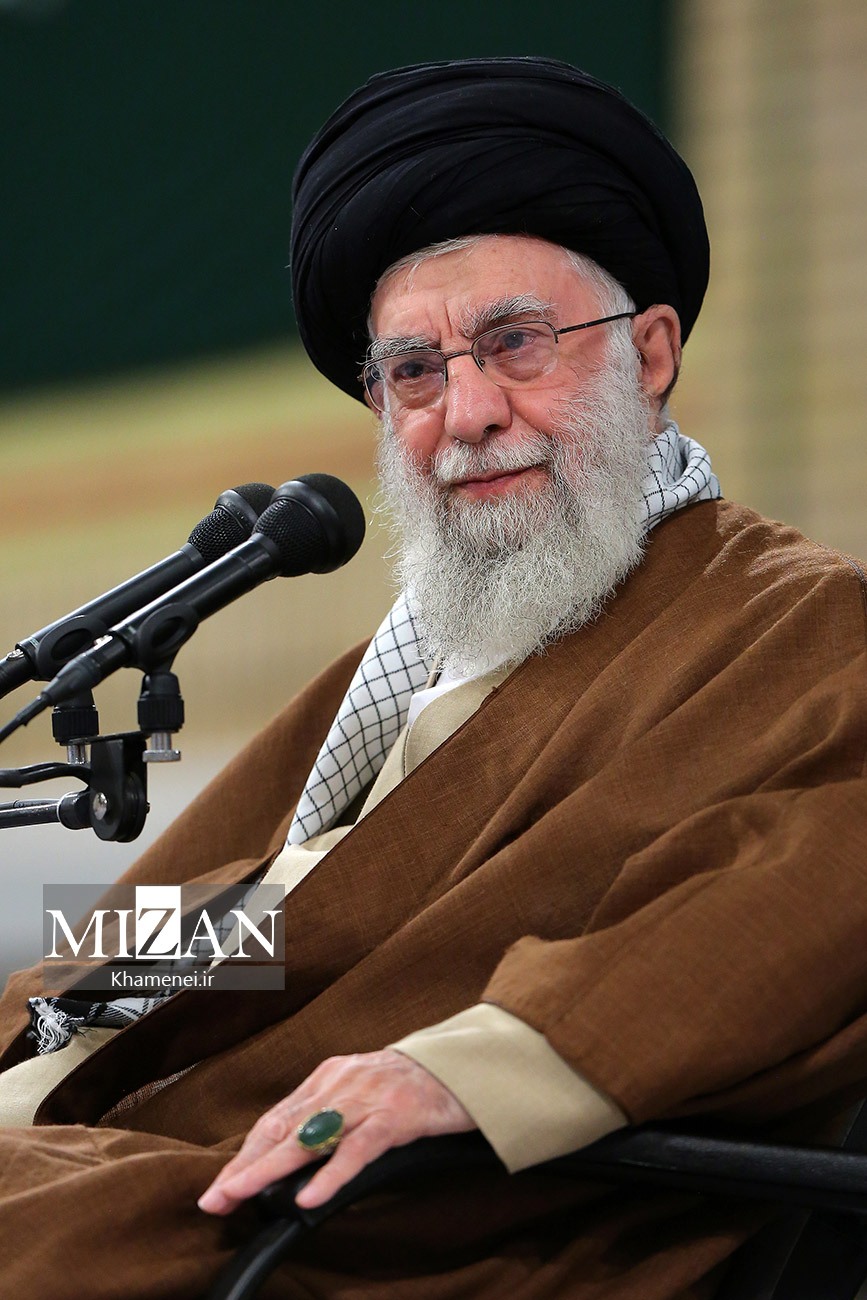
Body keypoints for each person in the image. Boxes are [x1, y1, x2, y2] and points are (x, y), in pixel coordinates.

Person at [0, 55, 865, 1300]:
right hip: (152, 1157)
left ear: (650, 352)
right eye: (415, 370)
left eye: (515, 344)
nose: (466, 413)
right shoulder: (400, 666)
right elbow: (244, 916)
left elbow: (815, 885)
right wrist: (35, 1030)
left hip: (399, 1229)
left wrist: (468, 1070)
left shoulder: (791, 620)